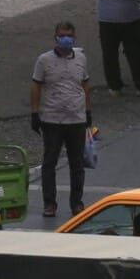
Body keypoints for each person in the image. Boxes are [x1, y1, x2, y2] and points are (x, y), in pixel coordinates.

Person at [29, 22, 91, 218]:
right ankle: (49, 204)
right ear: (55, 37)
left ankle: (77, 203)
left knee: (77, 165)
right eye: (62, 35)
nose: (66, 39)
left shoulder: (81, 58)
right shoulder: (44, 60)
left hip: (76, 119)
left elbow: (85, 84)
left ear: (74, 37)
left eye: (69, 35)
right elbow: (36, 86)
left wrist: (88, 110)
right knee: (49, 163)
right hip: (52, 119)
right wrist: (35, 113)